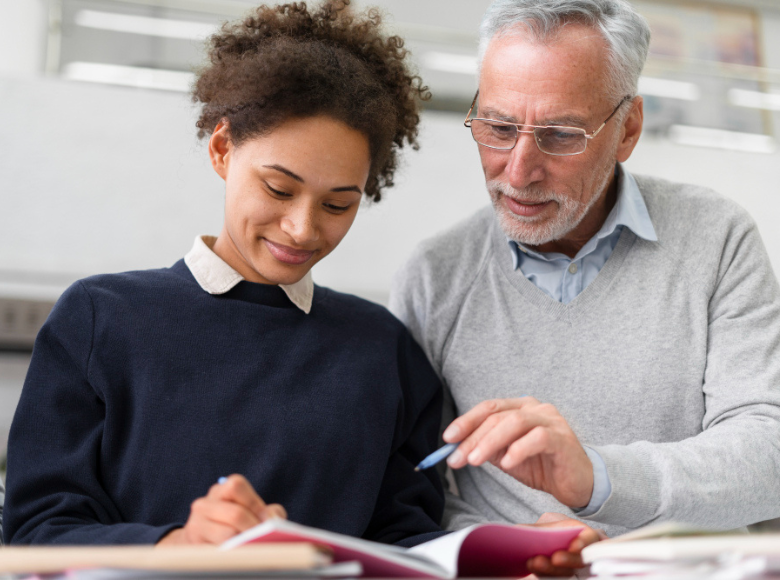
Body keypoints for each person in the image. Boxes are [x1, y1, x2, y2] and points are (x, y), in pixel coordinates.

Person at [3, 0, 447, 548]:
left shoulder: (384, 351)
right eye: (279, 189)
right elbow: (36, 532)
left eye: (338, 205)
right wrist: (179, 548)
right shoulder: (101, 319)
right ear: (221, 149)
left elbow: (411, 543)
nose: (302, 228)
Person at [390, 0, 780, 547]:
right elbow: (416, 492)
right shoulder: (435, 277)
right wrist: (509, 549)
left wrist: (595, 478)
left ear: (628, 129)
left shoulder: (716, 239)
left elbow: (770, 456)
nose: (519, 171)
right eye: (498, 127)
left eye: (561, 135)